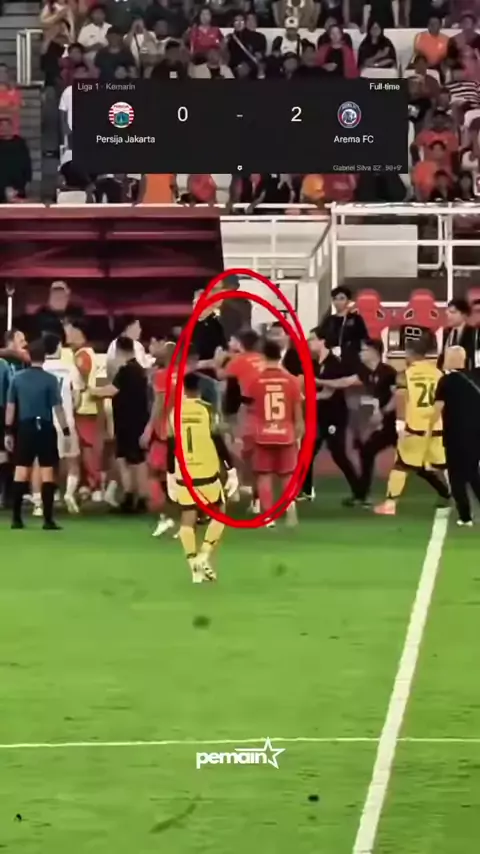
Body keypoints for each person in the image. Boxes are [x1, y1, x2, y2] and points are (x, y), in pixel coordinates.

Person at [167, 370, 238, 582]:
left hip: (184, 474)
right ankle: (204, 555)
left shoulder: (174, 413)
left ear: (183, 390)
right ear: (199, 389)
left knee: (187, 520)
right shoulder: (207, 410)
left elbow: (171, 445)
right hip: (207, 472)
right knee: (219, 514)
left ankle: (194, 568)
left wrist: (170, 474)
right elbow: (218, 441)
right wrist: (231, 469)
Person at [374, 337, 451, 516]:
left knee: (401, 466)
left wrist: (400, 424)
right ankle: (459, 498)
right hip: (437, 427)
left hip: (414, 429)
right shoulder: (439, 374)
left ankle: (390, 504)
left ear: (409, 353)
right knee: (444, 465)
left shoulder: (405, 375)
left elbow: (401, 398)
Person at [4, 339, 70, 530]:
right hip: (46, 427)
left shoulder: (17, 379)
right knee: (47, 472)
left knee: (21, 471)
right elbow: (58, 408)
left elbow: (11, 407)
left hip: (25, 427)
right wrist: (65, 430)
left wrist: (8, 431)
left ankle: (16, 519)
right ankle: (48, 520)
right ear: (45, 357)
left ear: (28, 356)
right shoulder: (50, 380)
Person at [244, 339, 304, 527]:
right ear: (280, 357)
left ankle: (268, 517)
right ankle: (290, 509)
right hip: (286, 434)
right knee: (287, 476)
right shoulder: (292, 381)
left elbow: (250, 410)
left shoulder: (255, 381)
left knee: (264, 475)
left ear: (263, 356)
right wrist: (298, 433)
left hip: (263, 434)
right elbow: (298, 413)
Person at [303, 329, 363, 503]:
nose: (309, 343)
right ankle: (306, 491)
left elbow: (327, 393)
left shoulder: (334, 363)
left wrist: (306, 397)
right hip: (319, 414)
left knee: (338, 454)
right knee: (306, 452)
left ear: (322, 341)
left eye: (312, 339)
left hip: (335, 415)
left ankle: (359, 492)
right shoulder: (314, 363)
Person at [91, 336, 150, 513]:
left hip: (128, 421)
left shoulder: (126, 370)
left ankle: (135, 497)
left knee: (131, 460)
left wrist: (92, 391)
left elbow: (111, 391)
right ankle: (134, 496)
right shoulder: (140, 370)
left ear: (119, 351)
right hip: (137, 419)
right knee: (130, 459)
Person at [428, 345, 480, 525]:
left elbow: (437, 409)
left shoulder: (446, 381)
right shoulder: (476, 377)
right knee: (473, 474)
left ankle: (465, 516)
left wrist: (428, 430)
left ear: (451, 359)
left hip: (455, 435)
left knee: (456, 477)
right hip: (476, 434)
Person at [42, 333, 82, 513]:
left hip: (44, 421)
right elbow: (77, 397)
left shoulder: (40, 368)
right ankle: (69, 493)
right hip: (66, 420)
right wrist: (71, 408)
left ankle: (46, 498)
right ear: (58, 346)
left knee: (46, 463)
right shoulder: (70, 368)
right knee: (72, 460)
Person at [64, 318, 103, 502]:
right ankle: (88, 486)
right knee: (84, 450)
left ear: (79, 333)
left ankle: (95, 486)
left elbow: (85, 383)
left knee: (87, 450)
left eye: (70, 330)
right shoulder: (86, 353)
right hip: (87, 408)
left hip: (85, 410)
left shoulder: (82, 355)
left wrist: (76, 401)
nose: (67, 334)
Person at [317, 286, 368, 363]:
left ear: (348, 301)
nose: (338, 302)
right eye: (335, 299)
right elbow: (321, 338)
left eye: (342, 298)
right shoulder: (329, 320)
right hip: (331, 360)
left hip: (351, 360)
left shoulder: (356, 319)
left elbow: (363, 339)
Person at [438, 298, 476, 370]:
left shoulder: (472, 332)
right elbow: (443, 355)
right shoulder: (446, 332)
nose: (448, 316)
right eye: (447, 313)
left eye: (452, 312)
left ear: (464, 315)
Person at [0, 355, 10, 504]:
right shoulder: (3, 364)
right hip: (1, 410)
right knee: (2, 454)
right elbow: (10, 392)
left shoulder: (3, 364)